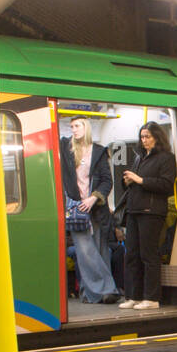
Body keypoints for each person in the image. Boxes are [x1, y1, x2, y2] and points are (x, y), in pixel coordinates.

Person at [60, 117, 120, 304]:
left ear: (86, 128)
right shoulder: (67, 149)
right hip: (76, 209)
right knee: (85, 251)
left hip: (96, 209)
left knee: (100, 250)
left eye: (77, 126)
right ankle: (108, 289)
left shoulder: (99, 152)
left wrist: (93, 198)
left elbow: (106, 181)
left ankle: (90, 293)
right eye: (72, 126)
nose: (74, 129)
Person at [120, 121, 177, 311]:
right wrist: (128, 181)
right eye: (142, 137)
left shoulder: (166, 158)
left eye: (148, 137)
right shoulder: (139, 158)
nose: (144, 141)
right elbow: (136, 183)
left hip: (152, 212)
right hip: (134, 210)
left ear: (157, 138)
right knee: (131, 255)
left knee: (148, 254)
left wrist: (140, 180)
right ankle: (133, 295)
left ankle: (152, 297)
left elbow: (166, 185)